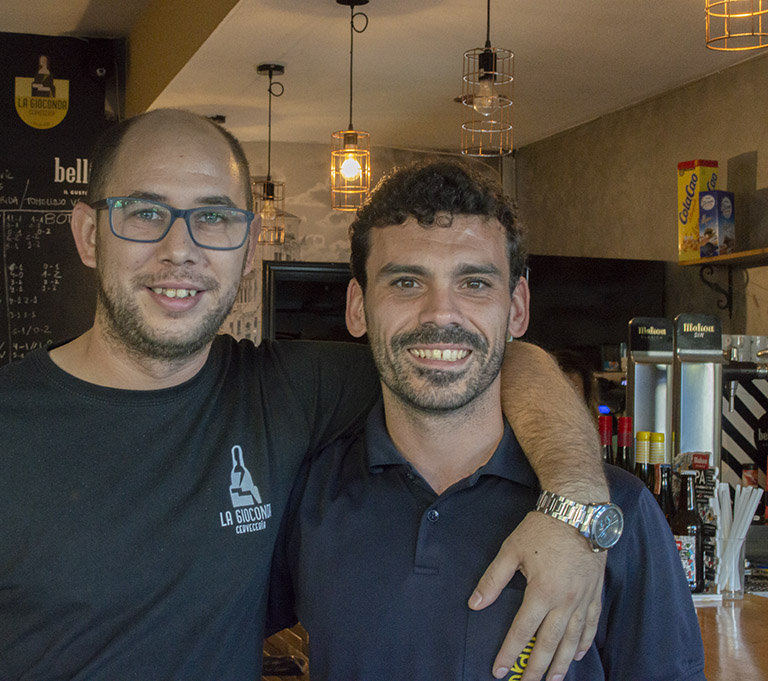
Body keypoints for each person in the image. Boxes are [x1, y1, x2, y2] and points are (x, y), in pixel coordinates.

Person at [0, 110, 608, 681]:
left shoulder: (291, 392)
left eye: (213, 218)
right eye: (144, 212)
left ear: (249, 249)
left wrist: (575, 504)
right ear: (89, 234)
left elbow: (489, 357)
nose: (179, 249)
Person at [266, 160, 705, 680]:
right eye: (407, 282)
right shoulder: (306, 495)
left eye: (474, 283)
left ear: (517, 307)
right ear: (358, 306)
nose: (441, 314)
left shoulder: (616, 515)